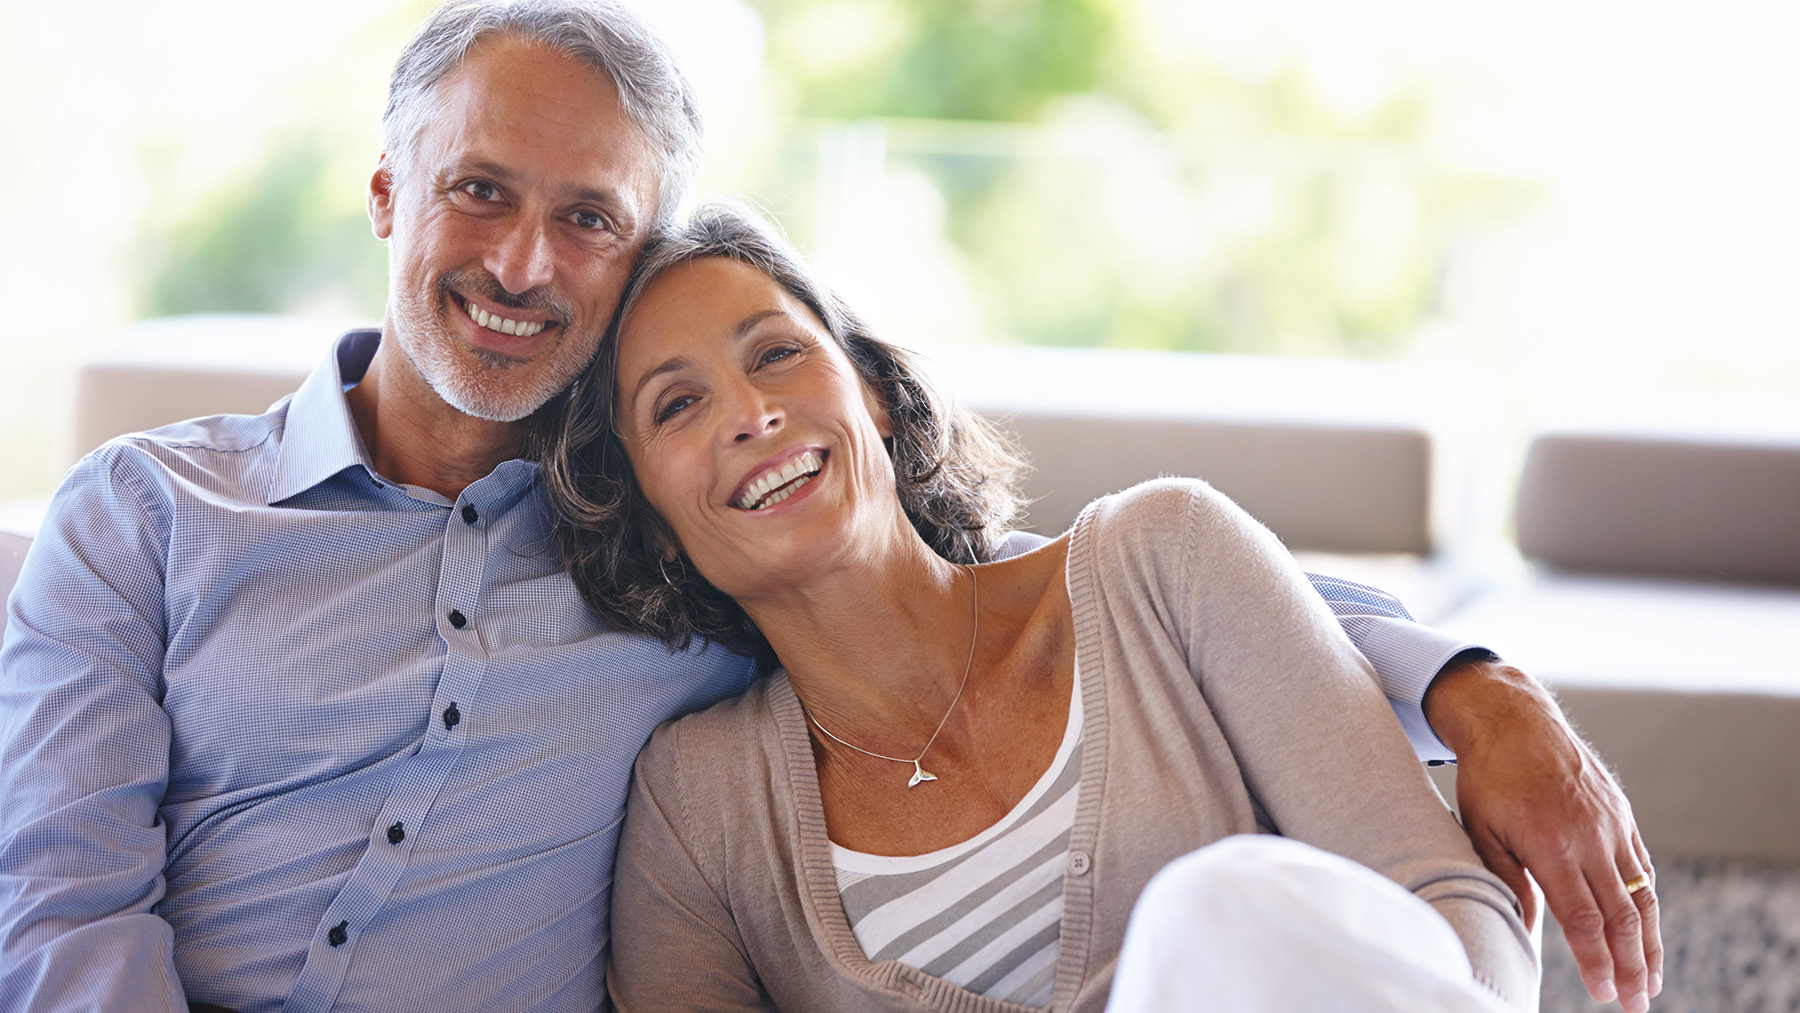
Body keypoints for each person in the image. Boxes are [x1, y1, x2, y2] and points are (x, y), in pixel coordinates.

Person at [0, 1, 1655, 1011]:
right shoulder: (146, 518)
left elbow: (1032, 586)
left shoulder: (648, 562)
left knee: (1231, 904)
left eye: (589, 219)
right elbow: (62, 907)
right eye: (480, 193)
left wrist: (1463, 677)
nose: (522, 262)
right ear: (385, 194)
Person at [549, 203, 1543, 1009]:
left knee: (1222, 905)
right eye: (677, 405)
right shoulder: (698, 806)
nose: (751, 414)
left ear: (872, 391)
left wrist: (1482, 688)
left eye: (773, 353)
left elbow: (1451, 911)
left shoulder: (1164, 558)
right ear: (653, 517)